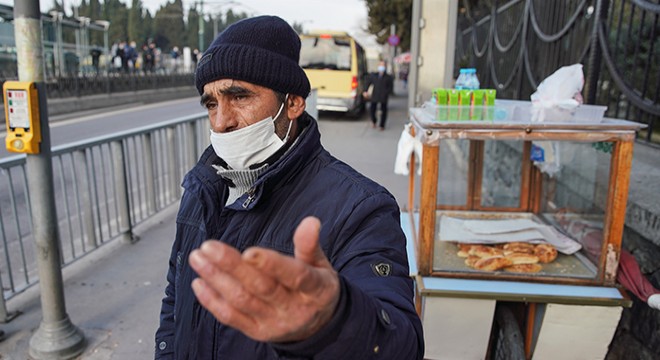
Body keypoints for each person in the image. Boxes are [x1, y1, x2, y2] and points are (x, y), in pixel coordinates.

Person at [154, 15, 424, 359]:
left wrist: (333, 323)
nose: (222, 122)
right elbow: (175, 298)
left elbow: (401, 344)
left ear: (293, 103)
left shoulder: (362, 209)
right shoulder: (203, 188)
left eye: (239, 97)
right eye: (211, 103)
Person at [364, 60, 394, 131]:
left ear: (385, 67)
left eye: (383, 65)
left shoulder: (388, 77)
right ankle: (374, 121)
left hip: (383, 96)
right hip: (375, 95)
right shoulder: (374, 75)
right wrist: (365, 91)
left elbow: (390, 87)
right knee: (372, 109)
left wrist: (386, 93)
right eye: (380, 65)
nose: (381, 67)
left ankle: (382, 125)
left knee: (383, 110)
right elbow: (368, 83)